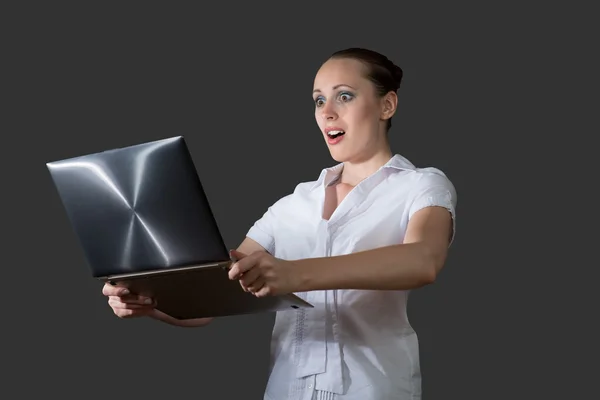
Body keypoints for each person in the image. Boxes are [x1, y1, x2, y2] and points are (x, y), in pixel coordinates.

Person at [103, 47, 457, 400]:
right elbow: (212, 298)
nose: (327, 113)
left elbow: (422, 260)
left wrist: (293, 274)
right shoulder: (291, 205)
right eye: (319, 101)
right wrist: (151, 301)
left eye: (344, 97)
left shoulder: (421, 185)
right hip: (286, 389)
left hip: (373, 389)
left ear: (387, 105)